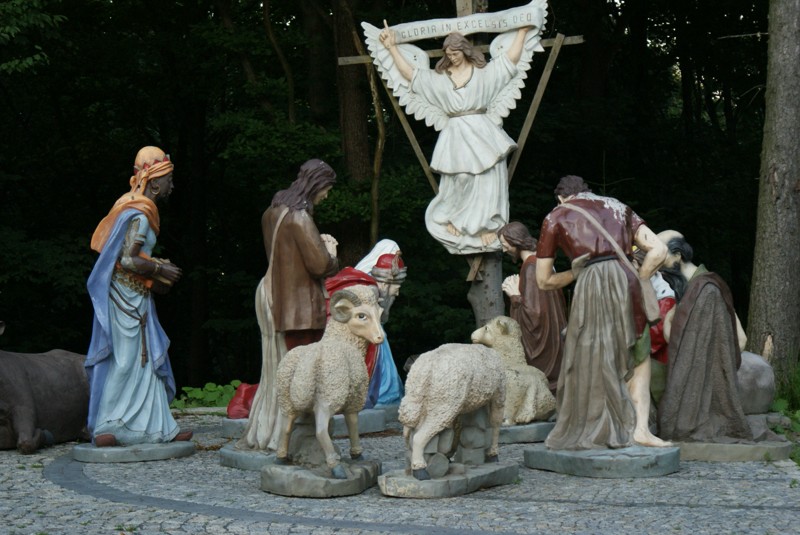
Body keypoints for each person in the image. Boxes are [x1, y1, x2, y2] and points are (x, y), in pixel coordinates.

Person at [535, 175, 670, 450]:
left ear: (561, 197)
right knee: (639, 356)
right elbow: (659, 250)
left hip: (591, 287)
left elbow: (543, 281)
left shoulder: (555, 216)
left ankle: (596, 427)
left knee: (592, 357)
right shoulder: (618, 207)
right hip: (629, 284)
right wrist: (642, 277)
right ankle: (640, 429)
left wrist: (573, 273)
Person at [376, 24, 537, 255]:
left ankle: (488, 227)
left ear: (465, 50)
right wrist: (392, 47)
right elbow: (411, 75)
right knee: (460, 179)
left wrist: (521, 32)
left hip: (483, 132)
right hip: (455, 134)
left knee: (488, 178)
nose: (451, 57)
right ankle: (457, 221)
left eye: (455, 53)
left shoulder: (483, 74)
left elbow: (508, 61)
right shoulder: (440, 79)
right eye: (448, 54)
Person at [85, 146, 190, 447]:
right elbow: (128, 259)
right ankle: (109, 424)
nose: (172, 185)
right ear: (155, 182)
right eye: (169, 179)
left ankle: (160, 426)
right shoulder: (140, 214)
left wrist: (153, 273)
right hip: (126, 298)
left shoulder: (131, 207)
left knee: (144, 362)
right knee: (128, 359)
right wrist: (160, 268)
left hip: (133, 295)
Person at [237, 159, 339, 451]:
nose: (326, 196)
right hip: (297, 304)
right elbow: (318, 265)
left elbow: (284, 255)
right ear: (317, 184)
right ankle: (295, 435)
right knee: (300, 369)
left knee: (275, 367)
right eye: (327, 189)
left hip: (271, 294)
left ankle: (269, 427)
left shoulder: (271, 213)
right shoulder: (300, 217)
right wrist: (330, 251)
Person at [656, 230, 753, 443]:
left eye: (660, 254)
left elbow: (739, 340)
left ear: (677, 256)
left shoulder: (707, 290)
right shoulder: (689, 290)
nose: (656, 261)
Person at [325, 240, 406, 408]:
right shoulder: (362, 284)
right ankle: (381, 396)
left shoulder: (369, 283)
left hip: (374, 332)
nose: (397, 292)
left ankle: (387, 394)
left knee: (383, 365)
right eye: (395, 286)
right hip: (365, 335)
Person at [498, 221, 567, 394]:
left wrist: (514, 296)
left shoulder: (530, 266)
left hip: (543, 342)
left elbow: (535, 314)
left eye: (505, 244)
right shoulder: (540, 262)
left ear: (516, 241)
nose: (504, 250)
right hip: (554, 334)